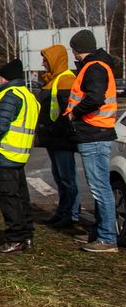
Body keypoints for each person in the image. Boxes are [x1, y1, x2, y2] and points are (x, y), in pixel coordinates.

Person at [65, 29, 119, 253]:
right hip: (96, 132)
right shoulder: (98, 65)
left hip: (94, 133)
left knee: (100, 188)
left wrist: (74, 113)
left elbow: (95, 98)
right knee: (99, 186)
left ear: (77, 48)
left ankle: (107, 238)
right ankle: (100, 232)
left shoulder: (94, 67)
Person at [0, 59, 40, 253]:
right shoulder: (28, 95)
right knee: (21, 196)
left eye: (0, 76)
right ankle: (27, 235)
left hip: (4, 152)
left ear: (6, 78)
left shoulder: (10, 95)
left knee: (8, 197)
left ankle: (14, 238)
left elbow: (0, 125)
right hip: (19, 154)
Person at [34, 44, 79, 228]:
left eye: (46, 59)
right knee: (60, 177)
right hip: (53, 137)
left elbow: (68, 111)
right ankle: (63, 211)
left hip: (62, 138)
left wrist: (61, 131)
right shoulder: (52, 80)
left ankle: (72, 213)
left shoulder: (66, 80)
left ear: (55, 60)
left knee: (67, 178)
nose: (43, 63)